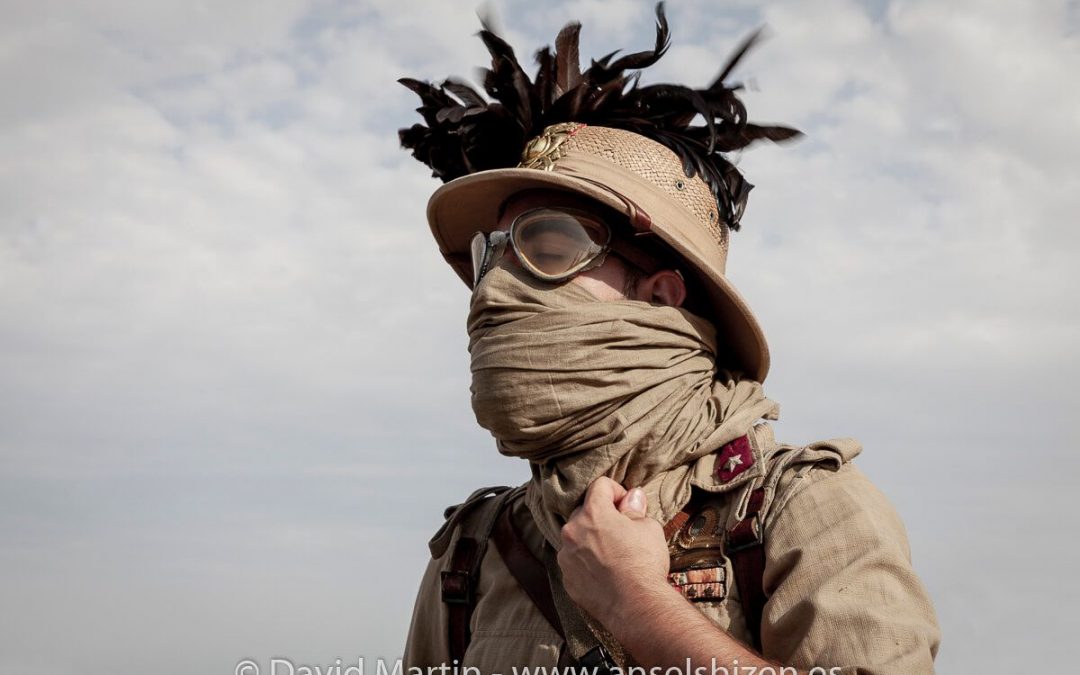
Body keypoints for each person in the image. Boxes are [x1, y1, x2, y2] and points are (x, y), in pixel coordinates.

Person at [397, 5, 940, 674]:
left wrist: (636, 601)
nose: (495, 287)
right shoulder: (473, 553)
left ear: (661, 294)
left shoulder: (801, 511)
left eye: (548, 245)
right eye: (491, 254)